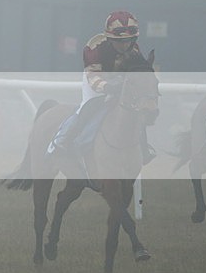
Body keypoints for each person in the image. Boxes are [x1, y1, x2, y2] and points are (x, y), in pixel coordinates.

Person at [52, 10, 155, 163]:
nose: (125, 45)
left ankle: (143, 148)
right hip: (96, 81)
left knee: (135, 111)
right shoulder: (94, 47)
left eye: (129, 40)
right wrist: (108, 87)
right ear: (109, 38)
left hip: (121, 82)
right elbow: (93, 76)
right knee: (87, 108)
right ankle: (62, 141)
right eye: (120, 41)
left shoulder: (134, 49)